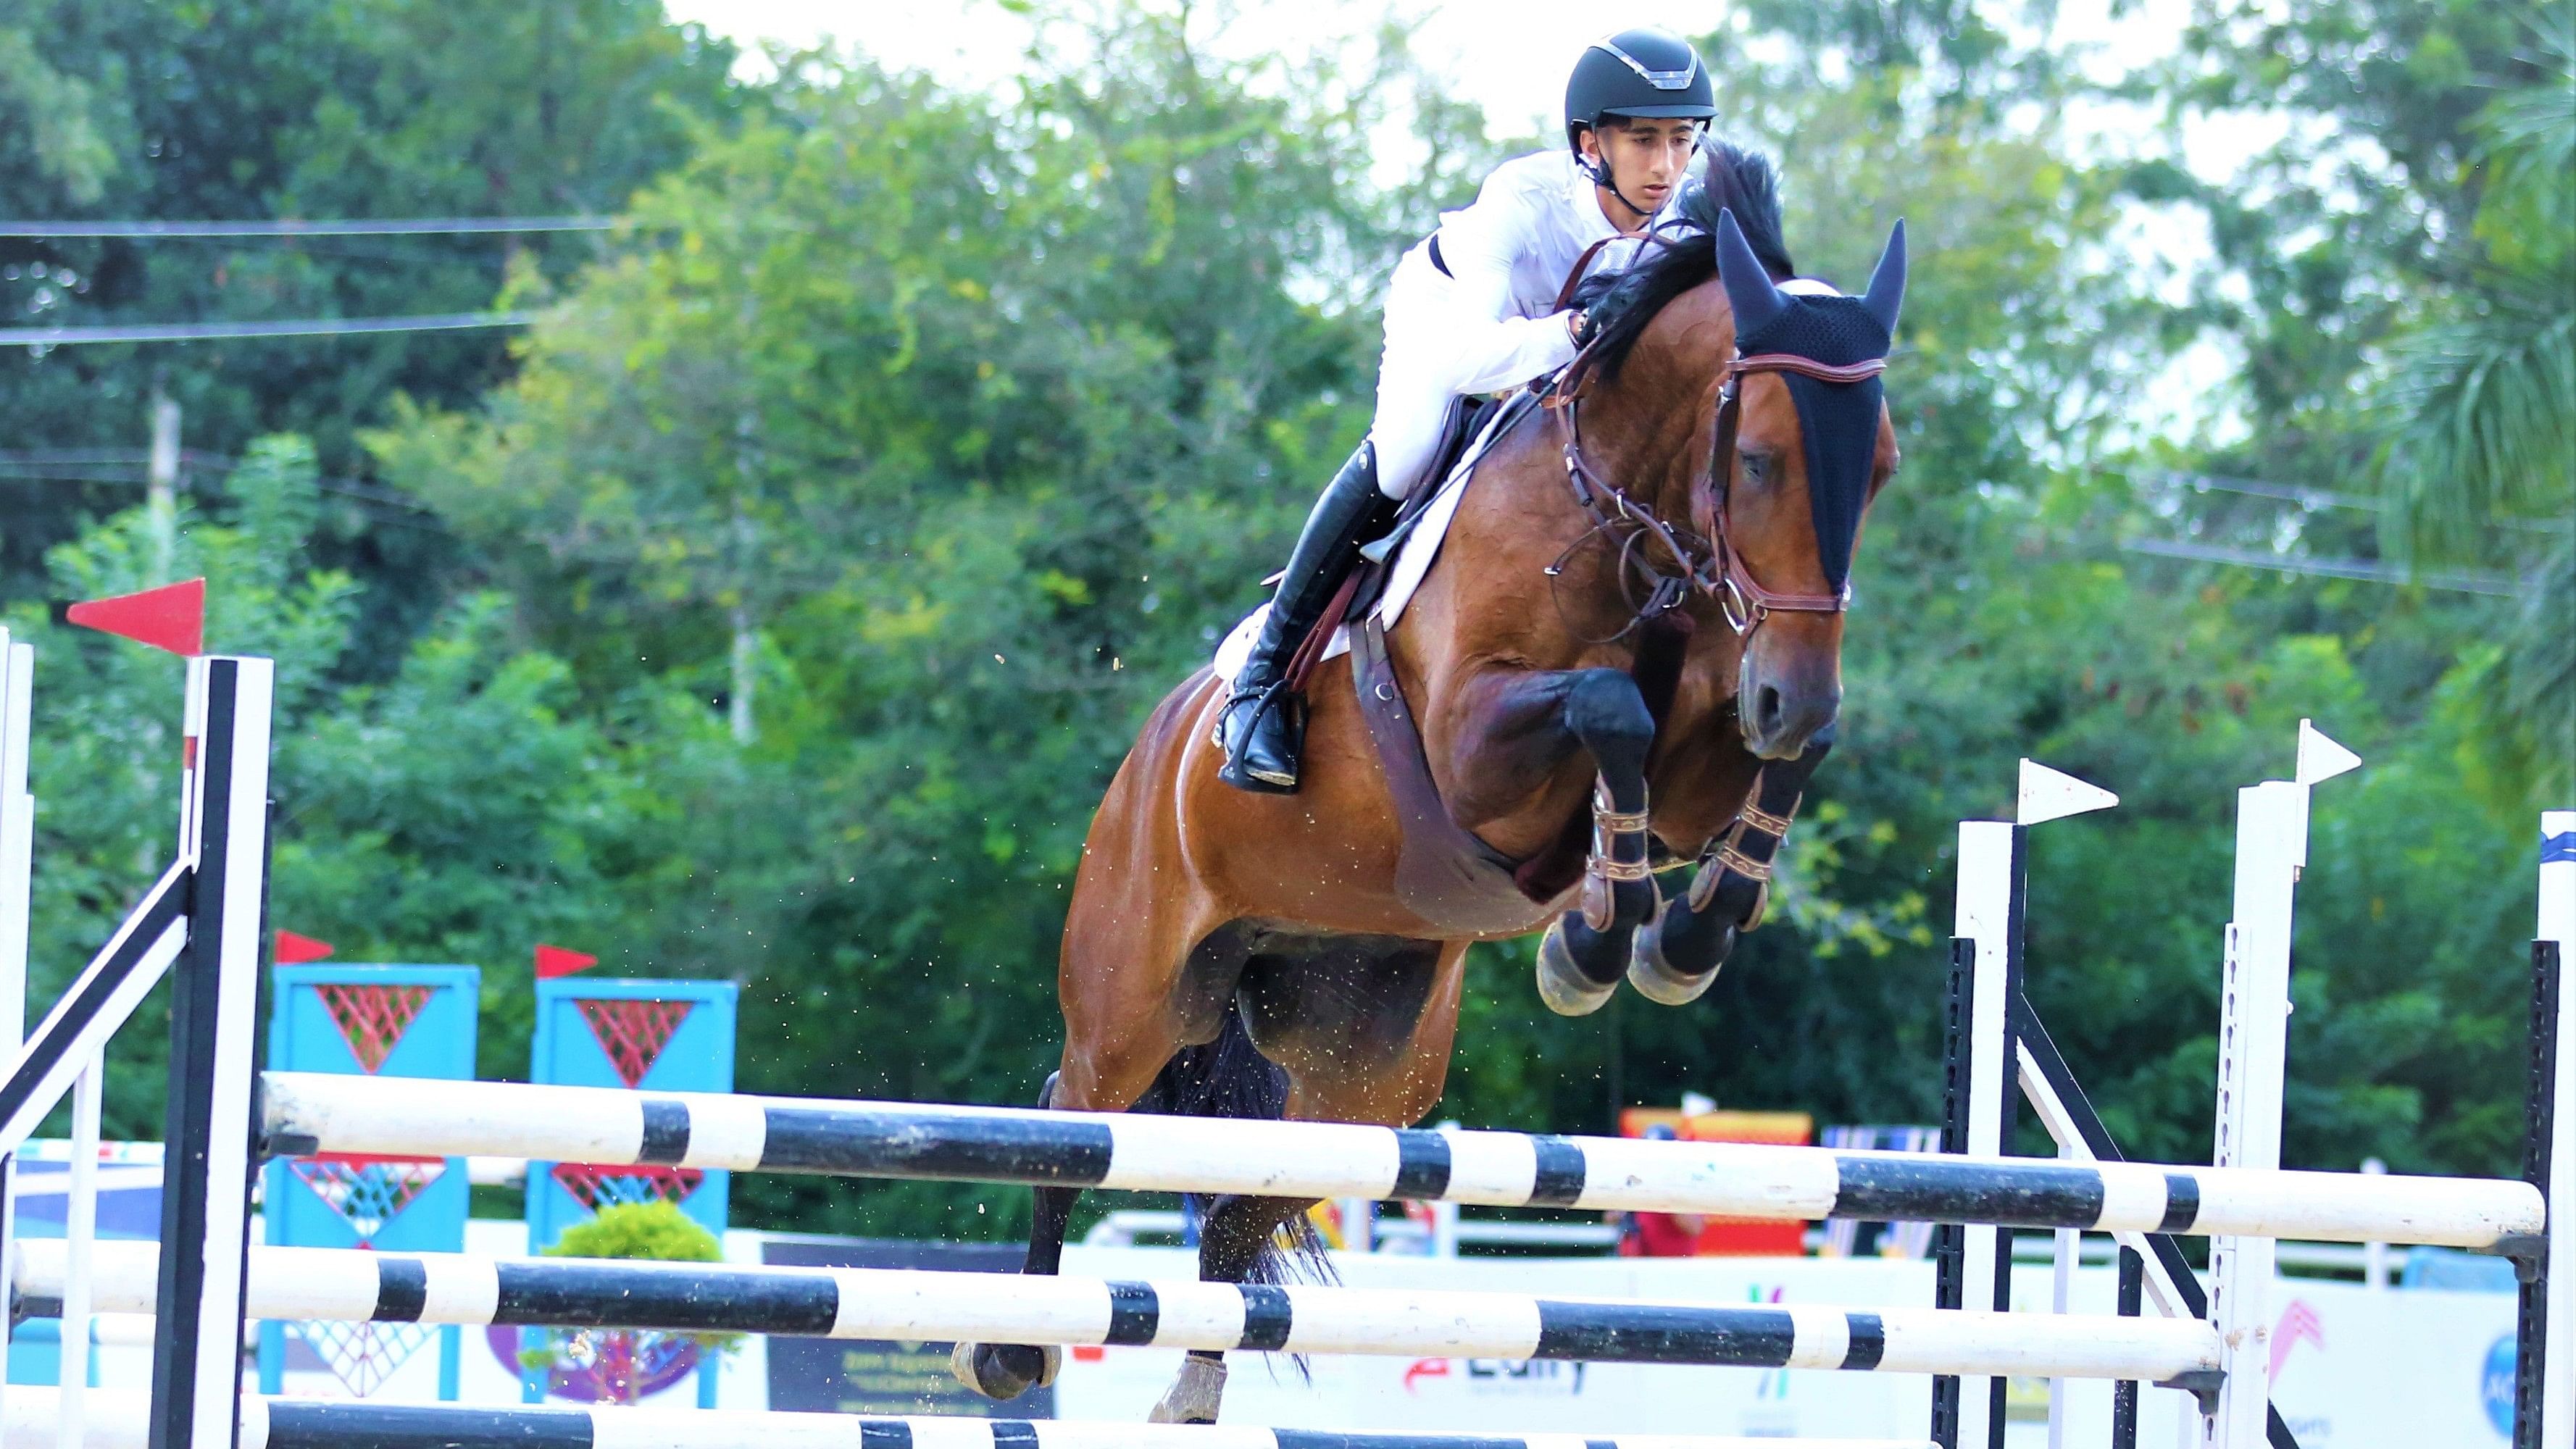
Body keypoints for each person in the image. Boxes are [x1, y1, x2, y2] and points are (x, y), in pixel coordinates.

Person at [1214, 27, 1717, 793]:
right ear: (1590, 144)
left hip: (1561, 354)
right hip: (1449, 317)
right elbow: (1465, 360)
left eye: (1682, 140)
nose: (1667, 166)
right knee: (1410, 451)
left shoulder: (1689, 225)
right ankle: (1260, 680)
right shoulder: (1524, 197)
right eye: (1643, 140)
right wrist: (1577, 328)